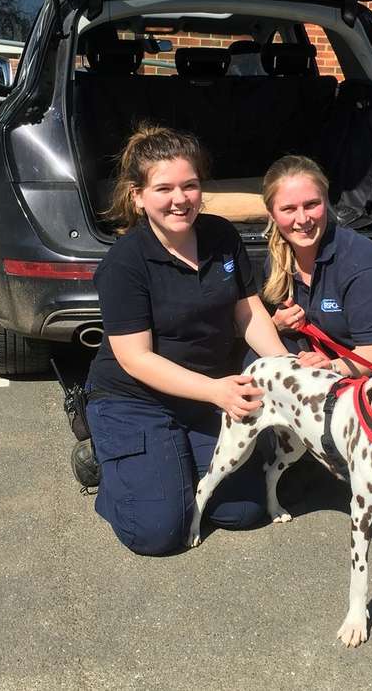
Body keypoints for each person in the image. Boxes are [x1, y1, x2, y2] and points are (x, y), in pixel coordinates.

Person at [85, 124, 291, 556]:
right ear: (138, 196)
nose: (180, 199)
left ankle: (166, 462)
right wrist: (217, 391)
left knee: (243, 511)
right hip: (134, 400)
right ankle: (109, 467)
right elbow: (136, 359)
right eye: (164, 188)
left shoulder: (222, 237)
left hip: (203, 396)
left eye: (190, 185)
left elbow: (248, 312)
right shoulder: (125, 263)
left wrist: (286, 365)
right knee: (159, 531)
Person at [261, 155, 372, 376]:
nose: (302, 219)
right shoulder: (277, 259)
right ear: (271, 214)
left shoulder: (362, 262)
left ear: (326, 201)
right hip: (332, 360)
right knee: (258, 357)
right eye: (289, 209)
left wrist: (330, 367)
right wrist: (277, 324)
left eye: (311, 205)